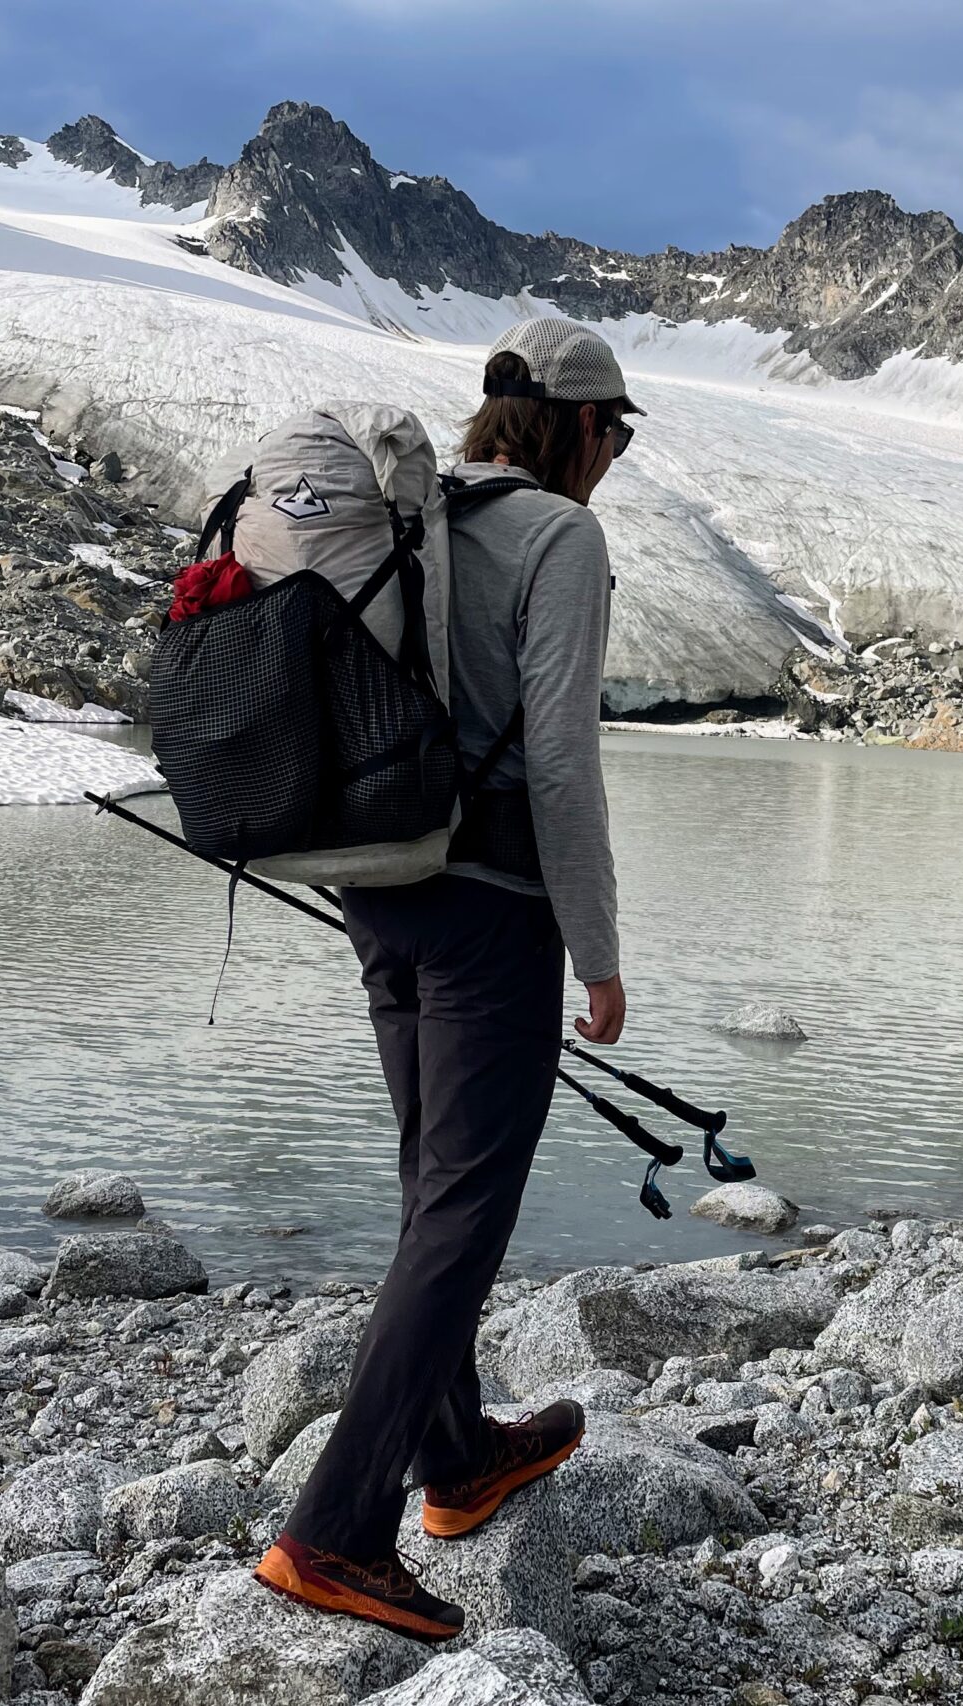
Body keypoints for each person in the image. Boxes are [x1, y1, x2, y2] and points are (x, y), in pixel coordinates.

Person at [253, 318, 640, 1641]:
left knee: (431, 1194)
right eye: (619, 434)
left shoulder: (415, 521)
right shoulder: (562, 539)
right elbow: (563, 760)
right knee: (463, 1215)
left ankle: (460, 1453)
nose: (616, 459)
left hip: (380, 889)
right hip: (492, 912)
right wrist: (597, 950)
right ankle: (334, 1528)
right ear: (583, 427)